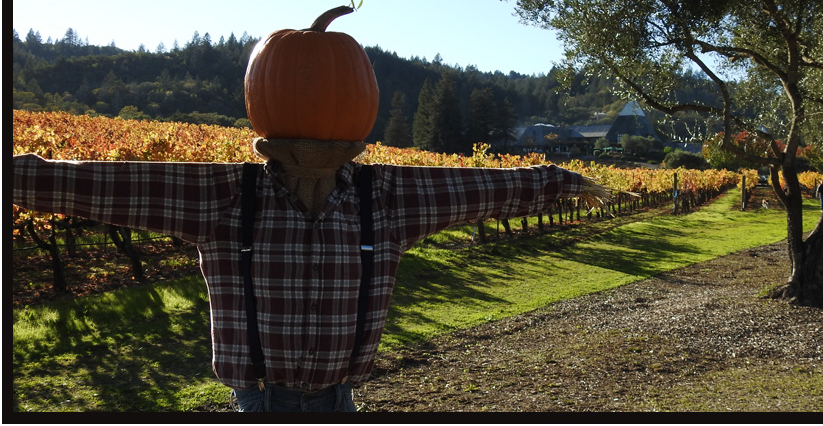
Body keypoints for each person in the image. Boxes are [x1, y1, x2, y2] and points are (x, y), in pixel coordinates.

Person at [12, 137, 606, 412]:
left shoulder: (385, 197)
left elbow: (485, 187)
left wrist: (565, 183)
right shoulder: (225, 195)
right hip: (258, 401)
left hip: (339, 398)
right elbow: (95, 183)